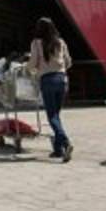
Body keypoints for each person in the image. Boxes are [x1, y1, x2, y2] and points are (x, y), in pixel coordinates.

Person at [28, 17, 74, 162]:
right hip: (62, 80)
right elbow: (68, 62)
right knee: (56, 115)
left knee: (52, 116)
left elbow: (33, 63)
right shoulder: (60, 42)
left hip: (47, 81)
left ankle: (66, 143)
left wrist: (29, 69)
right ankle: (58, 150)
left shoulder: (36, 43)